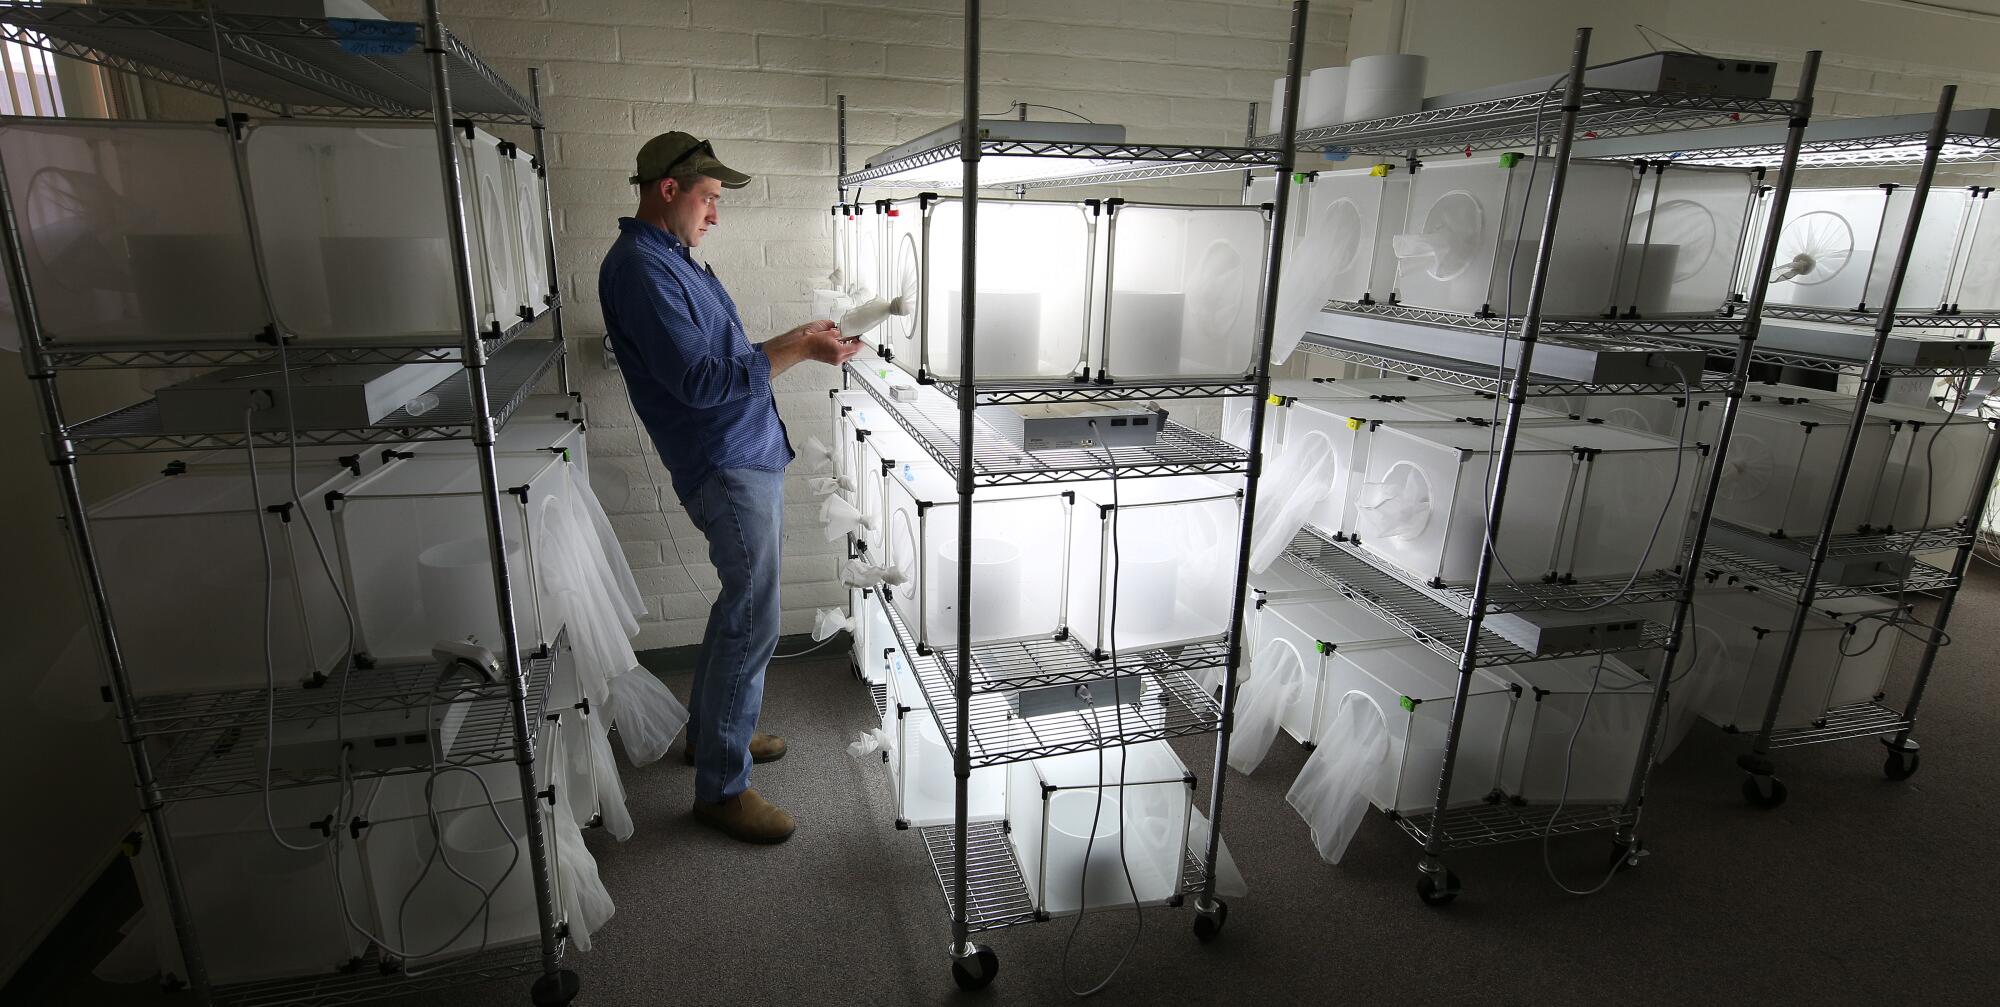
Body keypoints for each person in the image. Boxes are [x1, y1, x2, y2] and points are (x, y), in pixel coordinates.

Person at [599, 131, 861, 844]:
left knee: (739, 608)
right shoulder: (642, 270)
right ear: (668, 190)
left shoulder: (672, 261)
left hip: (742, 452)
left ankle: (712, 736)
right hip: (724, 462)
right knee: (753, 616)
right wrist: (802, 346)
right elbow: (702, 382)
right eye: (709, 198)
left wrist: (801, 338)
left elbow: (727, 360)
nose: (716, 213)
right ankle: (721, 785)